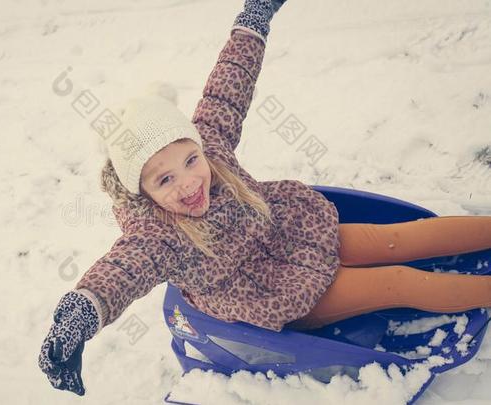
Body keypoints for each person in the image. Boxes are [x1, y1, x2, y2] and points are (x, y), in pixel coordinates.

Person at [38, 0, 491, 396]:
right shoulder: (158, 235)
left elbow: (229, 83)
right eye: (163, 181)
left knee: (397, 239)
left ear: (197, 144)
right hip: (279, 293)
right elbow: (121, 270)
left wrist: (254, 15)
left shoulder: (209, 144)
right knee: (397, 282)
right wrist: (79, 314)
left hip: (294, 235)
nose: (187, 184)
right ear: (143, 192)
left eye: (189, 161)